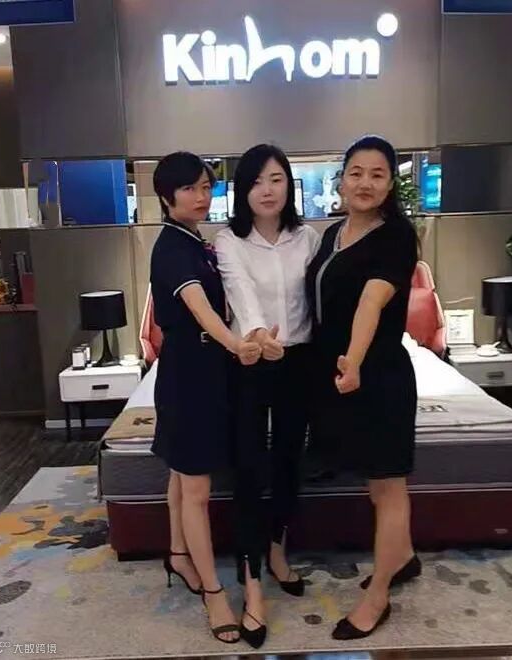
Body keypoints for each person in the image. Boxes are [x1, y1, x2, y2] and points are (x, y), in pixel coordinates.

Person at [306, 135, 421, 641]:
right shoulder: (333, 233)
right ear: (342, 180)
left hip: (379, 377)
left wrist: (352, 361)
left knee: (388, 486)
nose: (365, 183)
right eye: (356, 172)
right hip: (340, 376)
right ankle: (405, 557)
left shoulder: (396, 237)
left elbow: (370, 304)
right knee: (376, 482)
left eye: (377, 174)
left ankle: (377, 599)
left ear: (391, 183)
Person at [150, 151, 261, 645]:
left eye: (205, 187)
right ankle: (215, 594)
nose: (201, 196)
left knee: (182, 474)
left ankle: (178, 554)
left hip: (203, 371)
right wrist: (236, 344)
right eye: (189, 188)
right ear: (165, 195)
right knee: (196, 487)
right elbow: (200, 309)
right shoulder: (172, 247)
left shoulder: (196, 240)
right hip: (190, 375)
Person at [214, 144, 320, 648]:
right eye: (256, 181)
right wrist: (258, 335)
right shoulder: (229, 240)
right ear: (243, 190)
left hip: (299, 363)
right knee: (250, 469)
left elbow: (319, 301)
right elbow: (239, 292)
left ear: (289, 185)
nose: (267, 190)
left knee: (289, 462)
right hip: (251, 362)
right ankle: (252, 587)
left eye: (276, 179)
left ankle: (278, 549)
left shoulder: (309, 238)